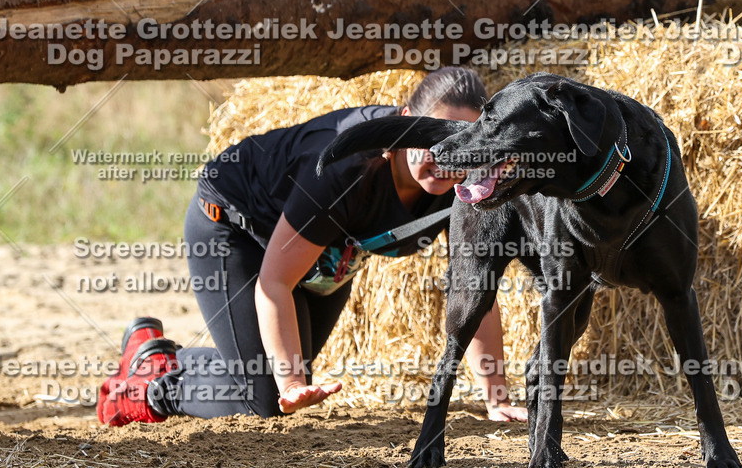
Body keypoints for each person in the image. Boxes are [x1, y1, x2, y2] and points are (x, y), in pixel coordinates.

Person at [96, 67, 526, 425]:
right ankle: (147, 390)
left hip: (324, 255)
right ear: (403, 120)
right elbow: (274, 283)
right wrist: (289, 385)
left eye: (460, 143)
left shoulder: (469, 182)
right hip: (238, 227)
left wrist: (496, 399)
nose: (445, 155)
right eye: (430, 136)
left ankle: (154, 356)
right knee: (264, 400)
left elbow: (476, 291)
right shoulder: (347, 167)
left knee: (274, 370)